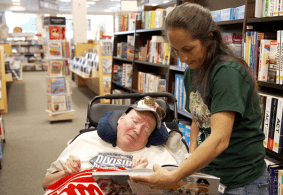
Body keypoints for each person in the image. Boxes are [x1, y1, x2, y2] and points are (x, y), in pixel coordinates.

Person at [130, 3, 268, 194]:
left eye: (188, 48)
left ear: (209, 38)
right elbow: (198, 117)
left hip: (240, 182)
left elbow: (220, 139)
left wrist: (173, 176)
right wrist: (191, 156)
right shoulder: (192, 72)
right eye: (176, 50)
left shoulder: (227, 73)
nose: (183, 58)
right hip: (208, 177)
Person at [42, 96, 183, 191]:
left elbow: (179, 189)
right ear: (121, 118)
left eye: (146, 130)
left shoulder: (161, 156)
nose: (138, 130)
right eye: (135, 121)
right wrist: (65, 173)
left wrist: (140, 179)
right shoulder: (85, 140)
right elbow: (46, 184)